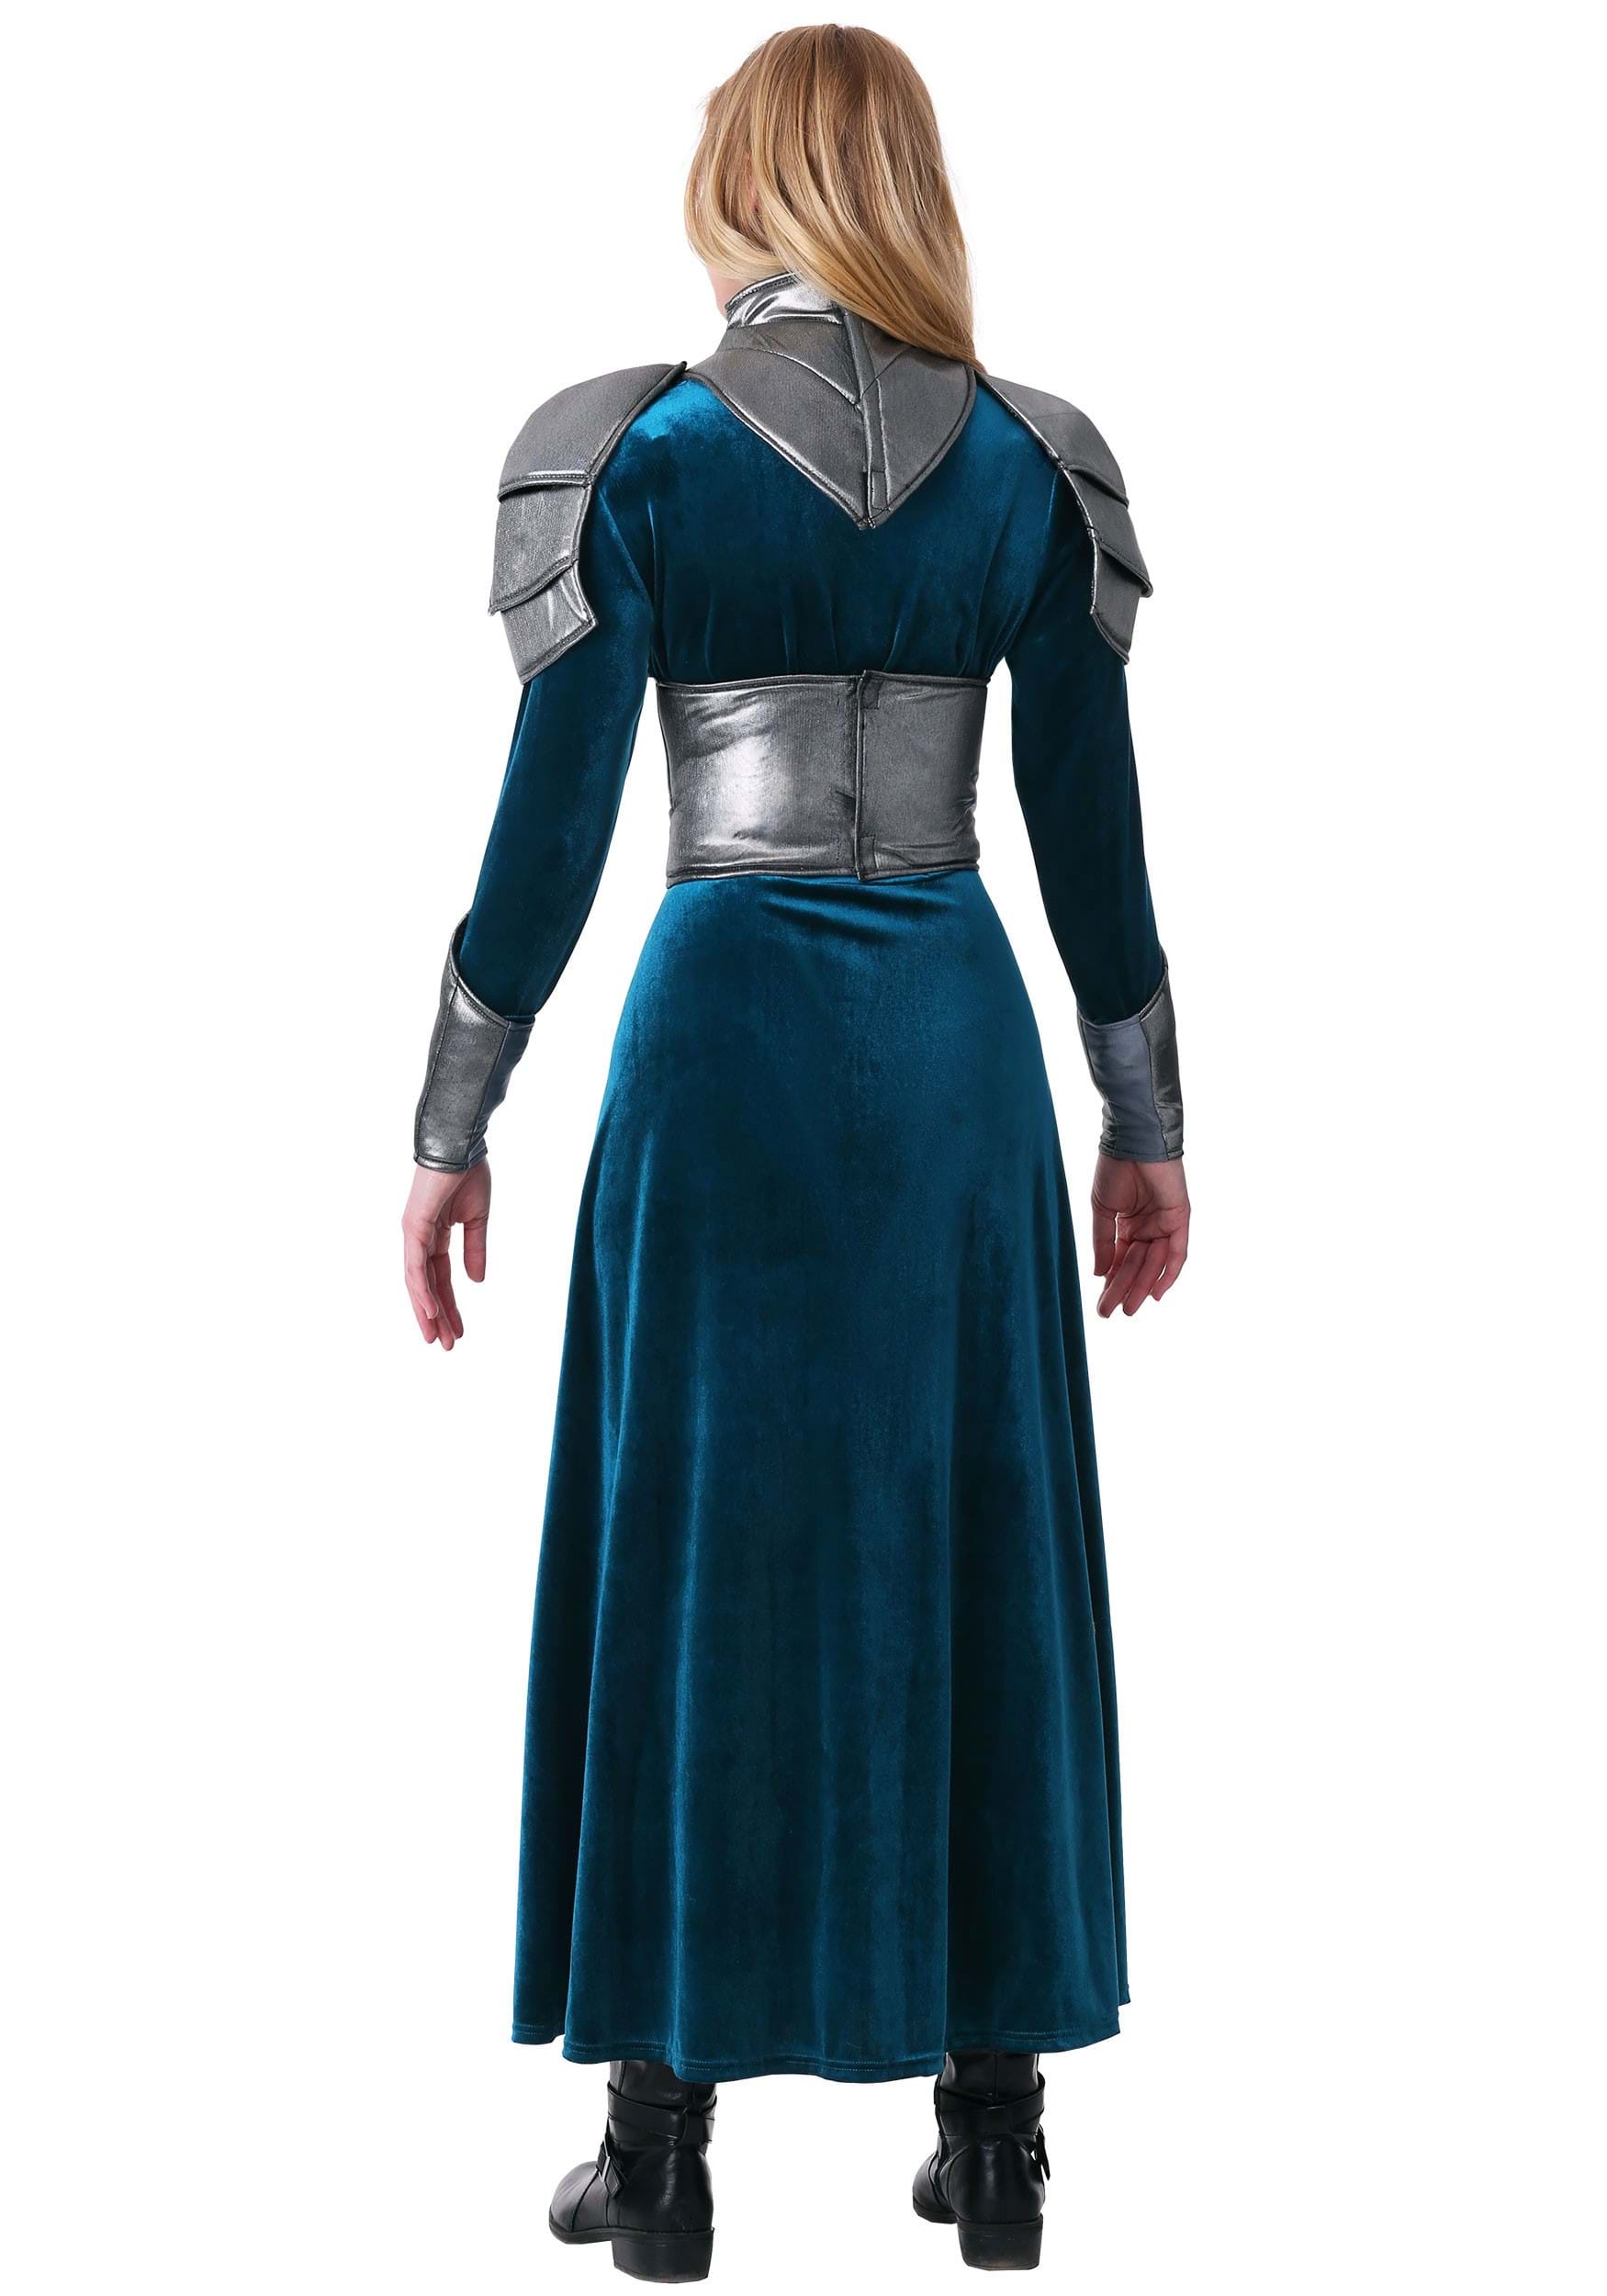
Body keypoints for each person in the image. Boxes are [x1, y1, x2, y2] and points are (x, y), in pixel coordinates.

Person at [401, 24, 1189, 2281]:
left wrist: (452, 1116)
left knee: (689, 1539)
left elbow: (551, 829)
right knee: (975, 1523)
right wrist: (1142, 1117)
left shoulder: (631, 454)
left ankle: (657, 2152)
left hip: (717, 1042)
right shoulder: (1034, 468)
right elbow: (1091, 838)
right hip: (948, 1038)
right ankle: (995, 2137)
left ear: (742, 183)